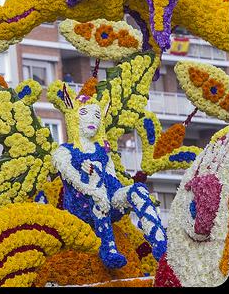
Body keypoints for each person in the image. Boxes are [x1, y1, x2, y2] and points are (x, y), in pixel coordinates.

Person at [51, 89, 167, 269]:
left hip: (106, 199)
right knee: (99, 188)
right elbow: (71, 179)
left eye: (97, 115)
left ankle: (159, 241)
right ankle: (108, 248)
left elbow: (112, 180)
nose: (92, 120)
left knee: (138, 190)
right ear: (74, 116)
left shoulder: (103, 153)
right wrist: (90, 182)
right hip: (80, 206)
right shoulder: (64, 152)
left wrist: (125, 195)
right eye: (84, 113)